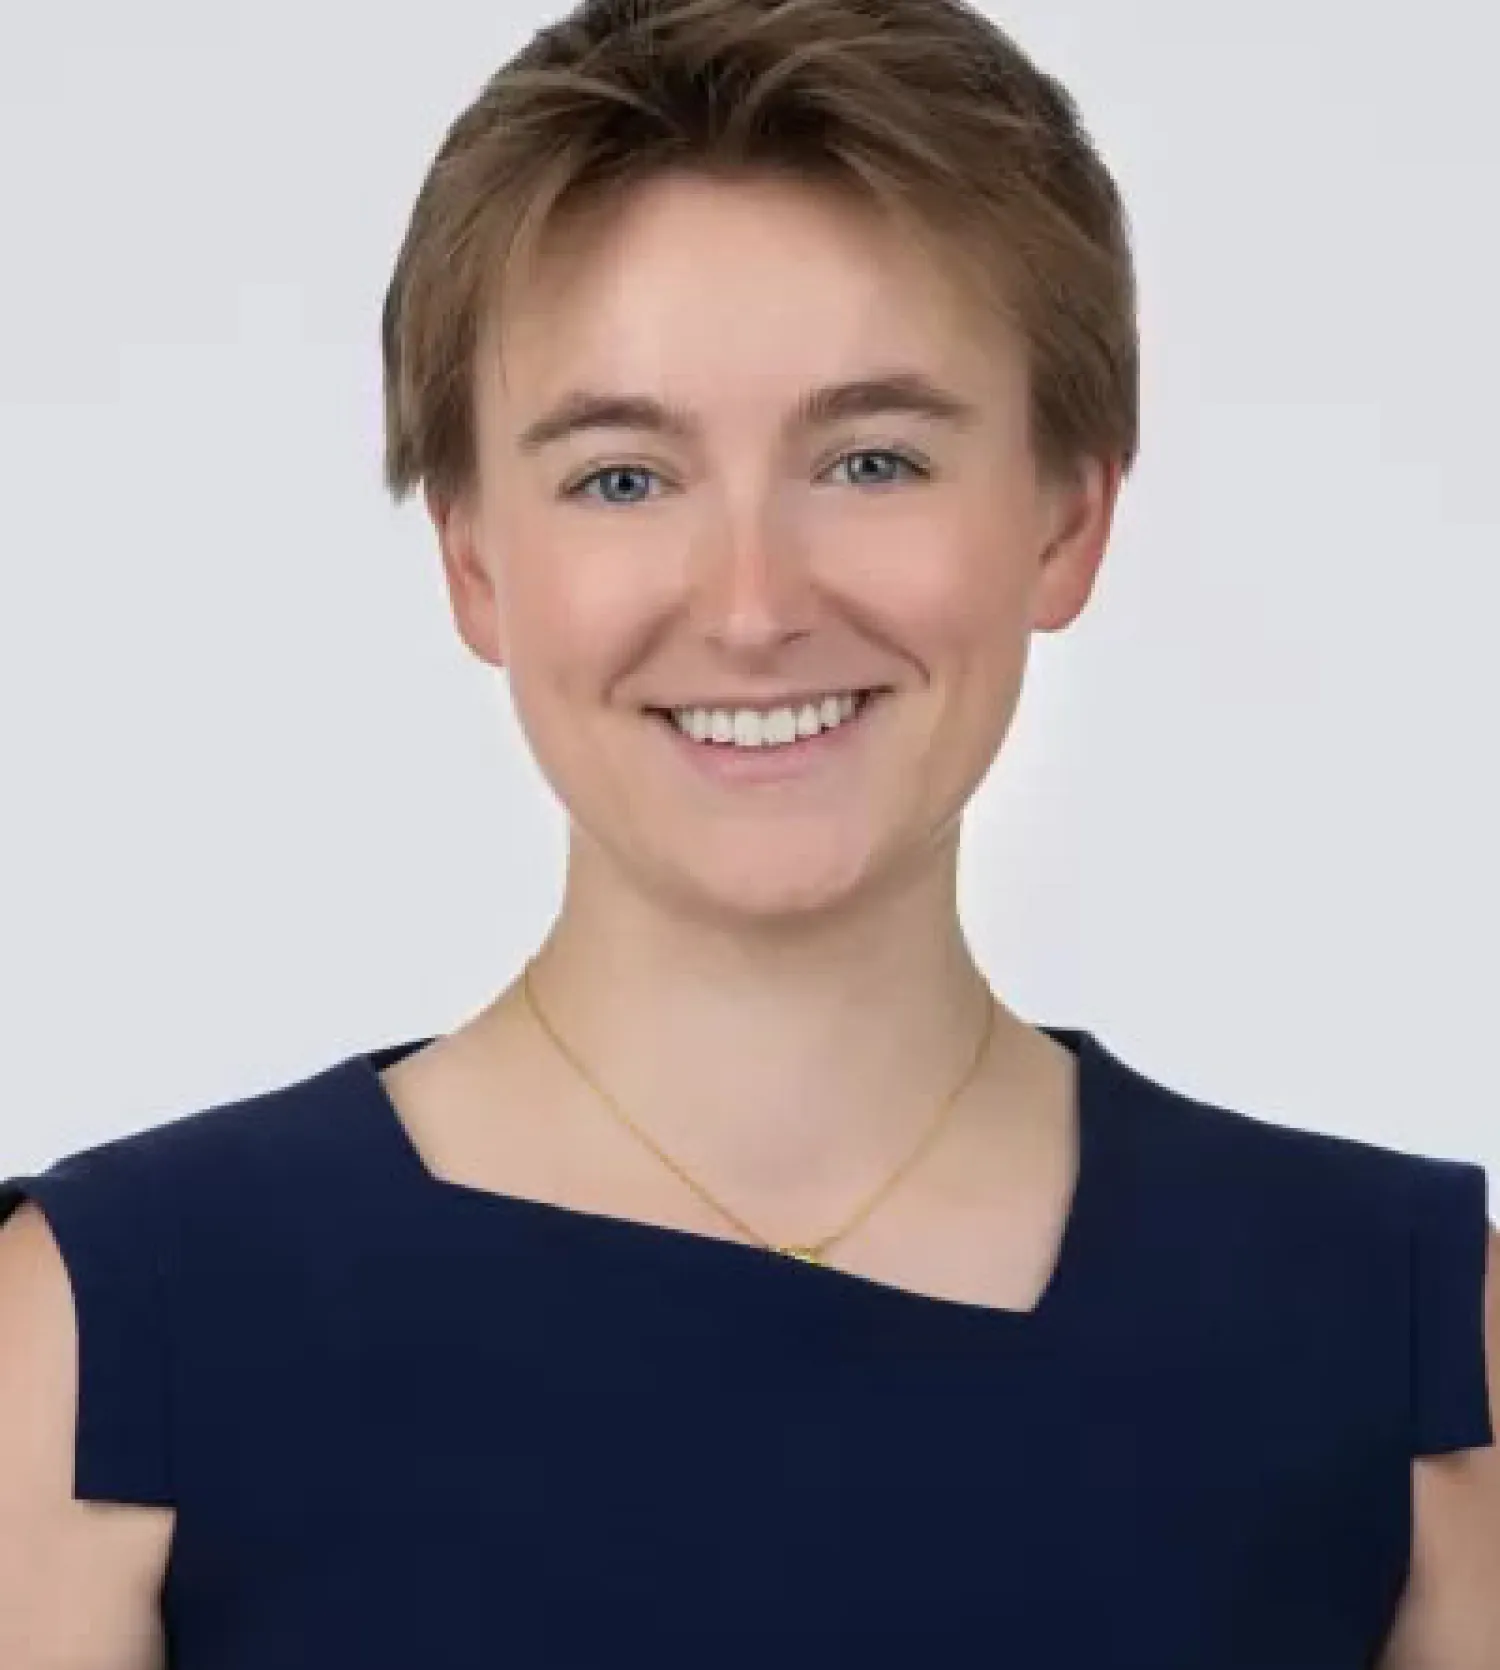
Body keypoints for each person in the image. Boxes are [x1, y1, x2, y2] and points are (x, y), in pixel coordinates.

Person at [2, 0, 1496, 1663]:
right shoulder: (103, 1338)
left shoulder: (1407, 1352)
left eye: (872, 458)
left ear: (1068, 515)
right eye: (624, 478)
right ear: (476, 558)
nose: (755, 605)